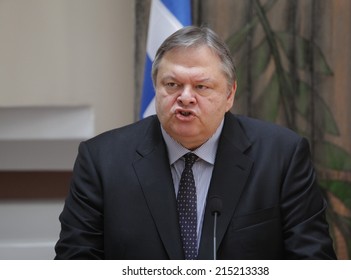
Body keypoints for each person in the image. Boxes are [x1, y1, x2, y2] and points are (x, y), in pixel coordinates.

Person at [55, 26, 336, 260]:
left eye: (201, 86)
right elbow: (76, 262)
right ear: (156, 88)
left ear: (229, 94)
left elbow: (312, 261)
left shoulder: (282, 156)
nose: (185, 97)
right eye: (172, 85)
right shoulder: (102, 160)